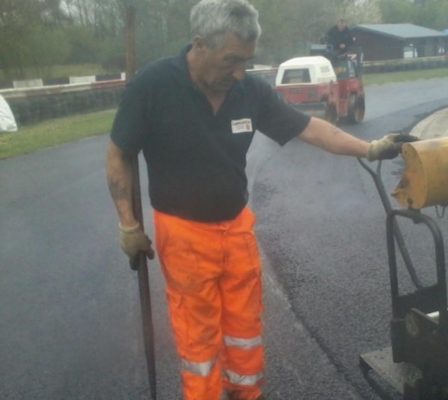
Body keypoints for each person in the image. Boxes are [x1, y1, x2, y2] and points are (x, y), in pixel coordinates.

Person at [105, 1, 409, 399]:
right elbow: (119, 154)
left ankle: (247, 394)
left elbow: (312, 129)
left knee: (245, 332)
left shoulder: (247, 91)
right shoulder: (153, 86)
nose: (239, 72)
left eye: (246, 61)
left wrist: (368, 149)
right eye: (231, 60)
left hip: (236, 228)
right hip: (183, 234)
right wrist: (128, 224)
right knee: (199, 343)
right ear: (200, 45)